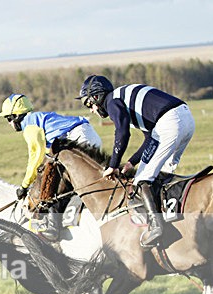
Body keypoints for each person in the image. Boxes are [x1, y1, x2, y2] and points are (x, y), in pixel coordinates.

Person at [77, 75, 195, 247]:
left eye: (89, 104)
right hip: (186, 119)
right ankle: (175, 215)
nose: (91, 110)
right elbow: (149, 139)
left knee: (141, 180)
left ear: (97, 96)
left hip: (169, 123)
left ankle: (157, 226)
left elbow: (122, 132)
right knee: (165, 173)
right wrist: (131, 162)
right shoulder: (123, 98)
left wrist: (113, 165)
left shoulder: (112, 101)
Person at [0, 93, 102, 241]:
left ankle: (53, 227)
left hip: (78, 137)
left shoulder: (30, 127)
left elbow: (35, 157)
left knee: (51, 178)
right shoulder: (37, 118)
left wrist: (25, 185)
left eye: (8, 118)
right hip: (87, 133)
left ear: (16, 116)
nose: (8, 123)